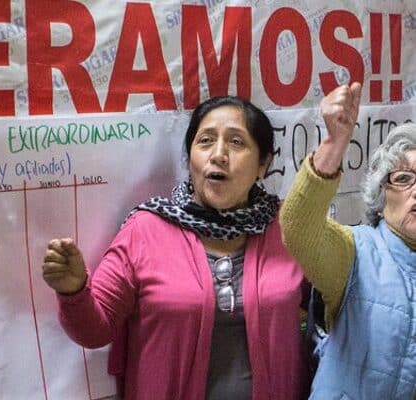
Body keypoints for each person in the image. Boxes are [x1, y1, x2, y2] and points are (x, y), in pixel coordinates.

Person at [42, 96, 310, 400]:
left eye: (236, 142)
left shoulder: (289, 227)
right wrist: (74, 291)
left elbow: (333, 302)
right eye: (205, 141)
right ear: (190, 157)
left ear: (263, 164)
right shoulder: (146, 229)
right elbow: (95, 330)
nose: (218, 154)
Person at [280, 82, 416, 399]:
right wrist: (334, 143)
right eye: (404, 179)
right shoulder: (357, 250)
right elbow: (299, 227)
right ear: (380, 196)